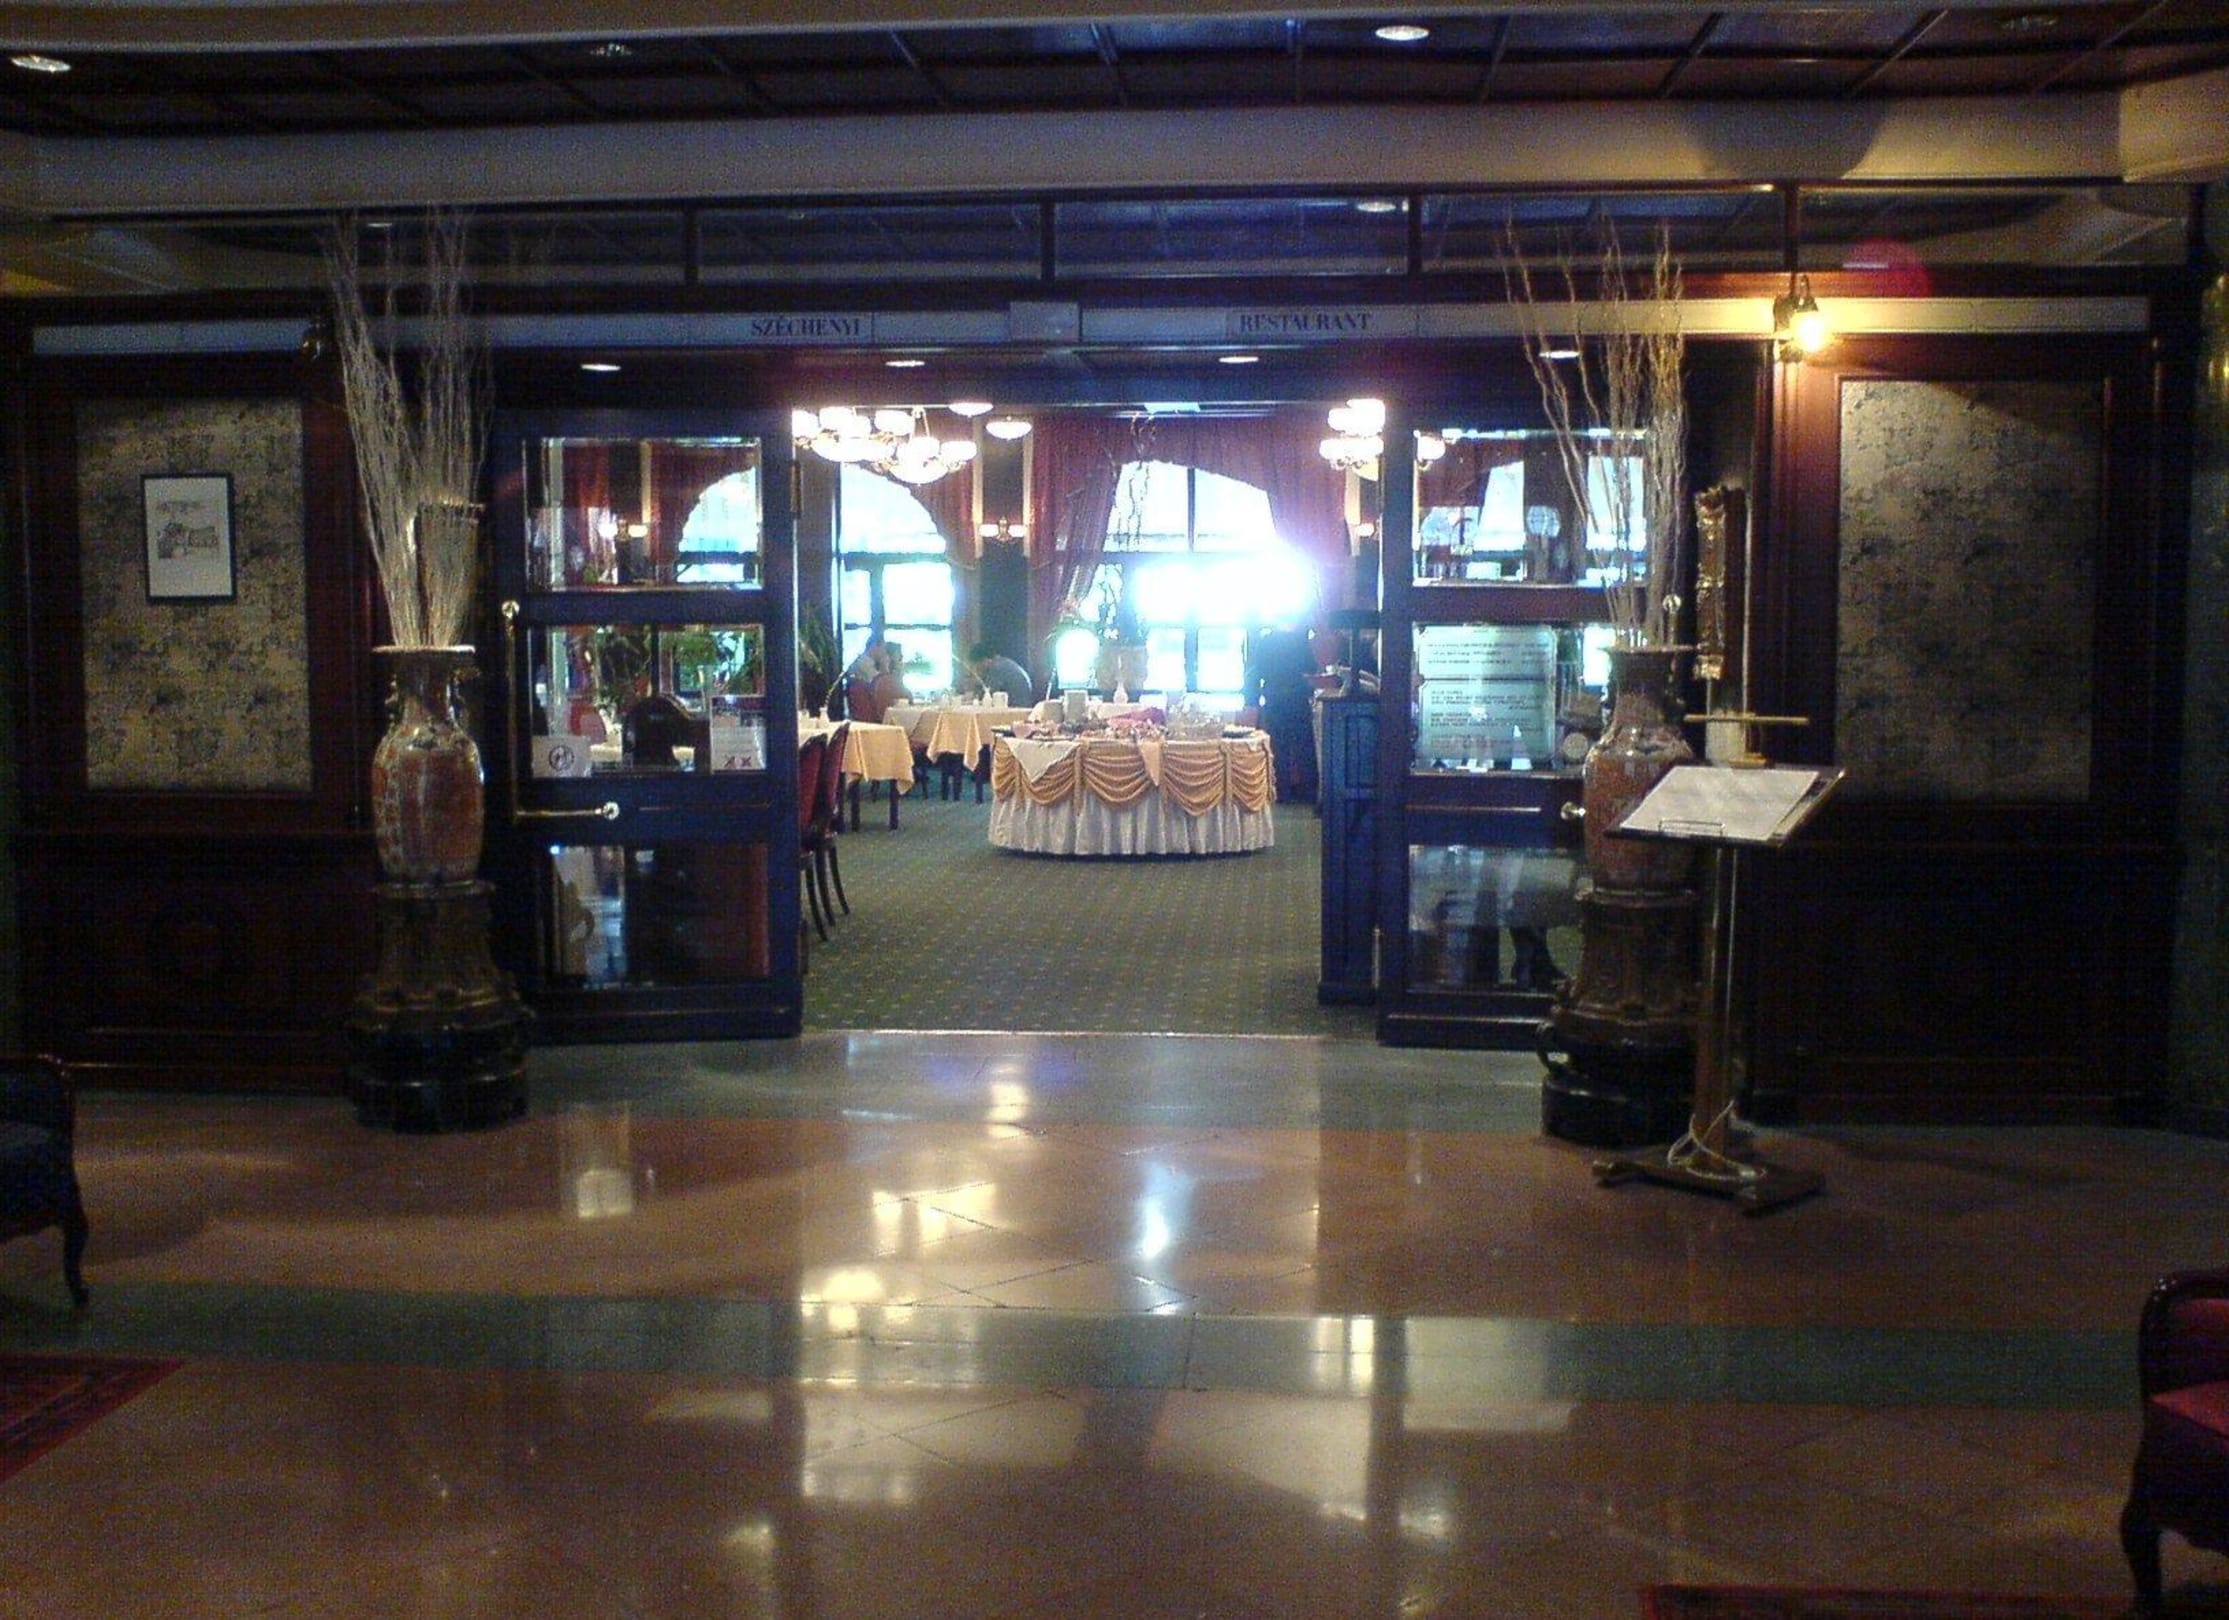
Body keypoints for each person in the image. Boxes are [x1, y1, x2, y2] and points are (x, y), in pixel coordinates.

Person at [1243, 621, 1320, 804]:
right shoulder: (1300, 641)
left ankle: (1281, 791)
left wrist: (1252, 702)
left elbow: (1255, 673)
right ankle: (1308, 792)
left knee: (1278, 748)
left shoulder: (1265, 642)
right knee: (1304, 748)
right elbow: (1310, 667)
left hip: (1274, 698)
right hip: (1297, 698)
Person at [961, 641, 1036, 706]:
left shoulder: (997, 669)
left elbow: (987, 697)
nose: (977, 670)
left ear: (985, 661)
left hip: (1016, 709)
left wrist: (974, 688)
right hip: (1023, 706)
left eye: (977, 667)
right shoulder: (1004, 663)